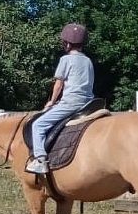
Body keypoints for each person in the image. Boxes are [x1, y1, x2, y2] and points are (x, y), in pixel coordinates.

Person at [26, 23, 95, 174]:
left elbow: (59, 85)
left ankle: (40, 160)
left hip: (71, 103)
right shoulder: (88, 61)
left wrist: (51, 101)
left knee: (38, 125)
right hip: (89, 103)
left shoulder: (65, 60)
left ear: (68, 43)